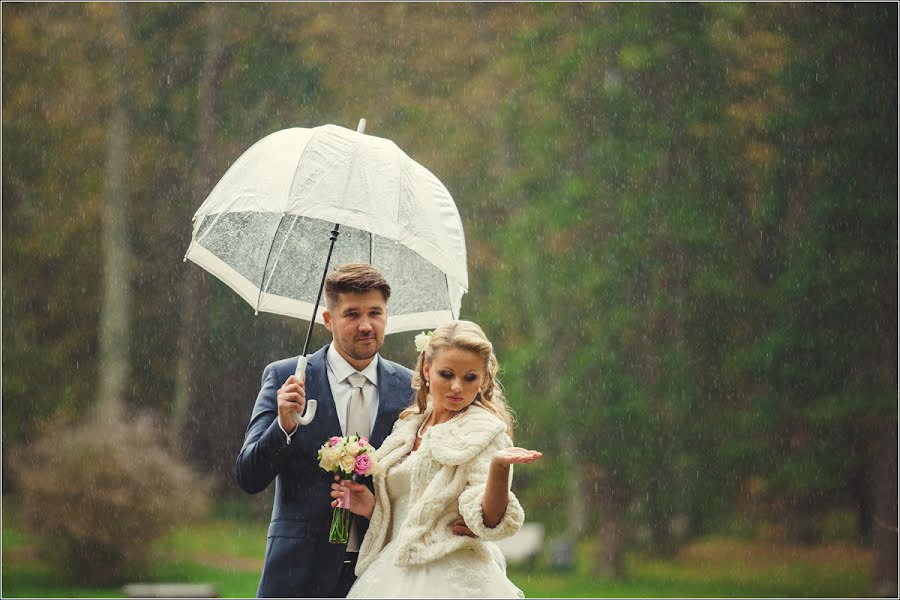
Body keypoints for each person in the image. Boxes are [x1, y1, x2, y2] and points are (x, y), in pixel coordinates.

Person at [235, 263, 415, 598]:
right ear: (328, 320)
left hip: (378, 575)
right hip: (296, 574)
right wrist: (284, 425)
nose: (366, 325)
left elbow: (418, 485)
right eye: (352, 314)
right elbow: (249, 476)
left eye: (375, 312)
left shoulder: (411, 388)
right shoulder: (285, 376)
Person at [331, 320, 543, 599]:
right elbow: (411, 511)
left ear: (483, 379)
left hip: (451, 571)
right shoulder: (407, 426)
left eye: (470, 378)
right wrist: (372, 507)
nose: (457, 387)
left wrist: (499, 467)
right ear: (427, 370)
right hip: (394, 569)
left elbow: (489, 519)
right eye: (447, 374)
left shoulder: (484, 432)